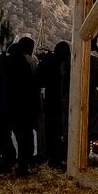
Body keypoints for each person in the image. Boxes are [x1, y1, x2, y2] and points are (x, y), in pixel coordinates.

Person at [0, 36, 43, 172]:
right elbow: (32, 86)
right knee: (23, 137)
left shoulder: (2, 64)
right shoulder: (26, 65)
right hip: (21, 107)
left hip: (4, 106)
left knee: (5, 135)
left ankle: (7, 161)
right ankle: (23, 166)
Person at [38, 40, 72, 169]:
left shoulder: (49, 61)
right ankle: (63, 157)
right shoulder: (70, 62)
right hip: (65, 101)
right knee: (63, 131)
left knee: (51, 130)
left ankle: (52, 156)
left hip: (51, 100)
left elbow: (40, 79)